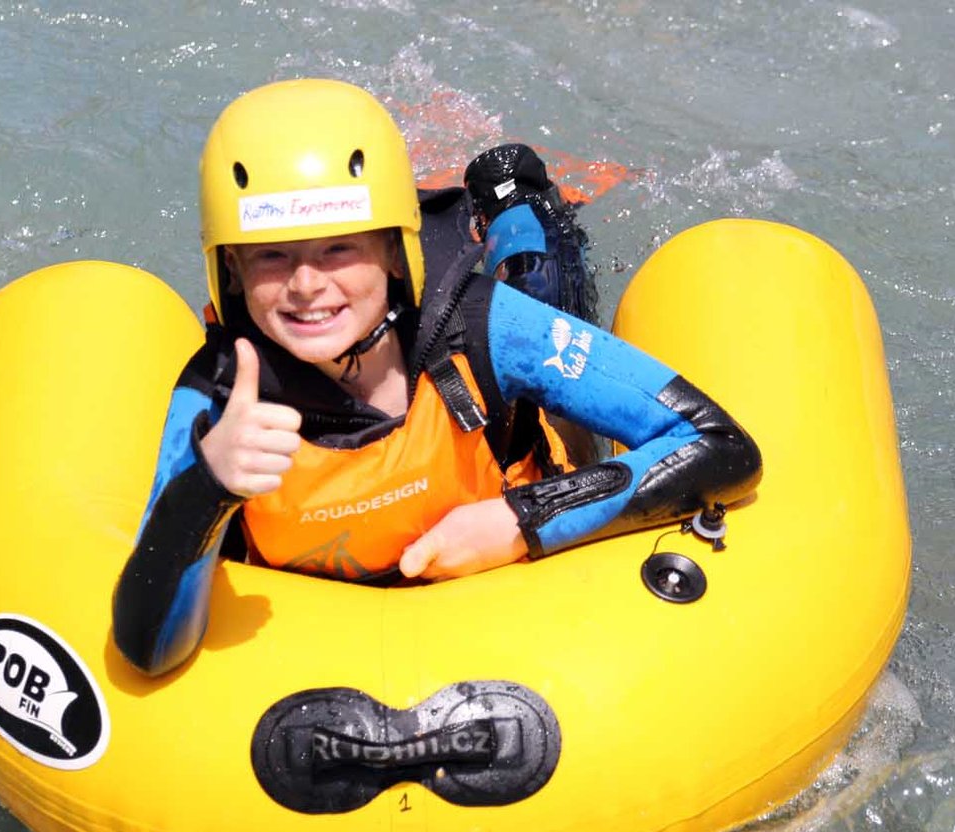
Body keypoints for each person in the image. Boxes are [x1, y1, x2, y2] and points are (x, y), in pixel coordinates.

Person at [113, 79, 761, 676]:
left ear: (394, 253)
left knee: (541, 297)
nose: (307, 285)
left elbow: (722, 446)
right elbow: (149, 648)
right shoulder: (221, 398)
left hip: (528, 493)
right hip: (339, 638)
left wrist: (521, 519)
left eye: (339, 246)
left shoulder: (481, 325)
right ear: (229, 271)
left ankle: (514, 197)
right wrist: (208, 485)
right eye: (271, 257)